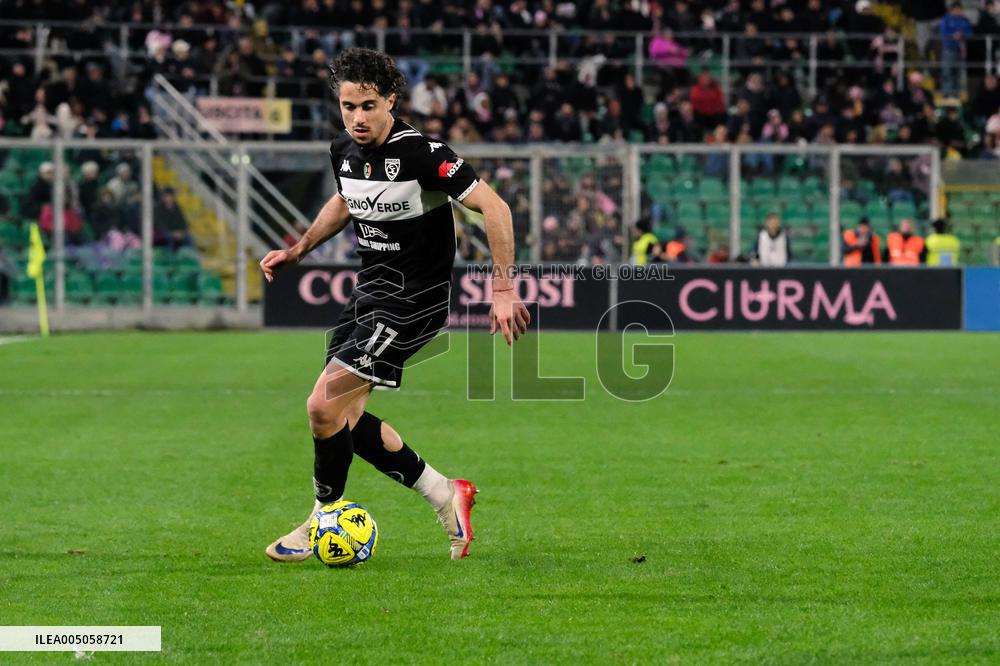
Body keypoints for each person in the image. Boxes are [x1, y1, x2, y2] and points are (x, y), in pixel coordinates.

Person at [258, 48, 529, 563]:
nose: (357, 118)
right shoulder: (343, 150)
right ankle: (446, 494)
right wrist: (298, 250)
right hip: (368, 296)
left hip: (415, 302)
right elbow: (344, 199)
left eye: (367, 105)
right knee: (342, 417)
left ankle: (322, 520)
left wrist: (501, 289)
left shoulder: (424, 153)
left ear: (391, 102)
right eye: (347, 106)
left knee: (322, 405)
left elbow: (495, 207)